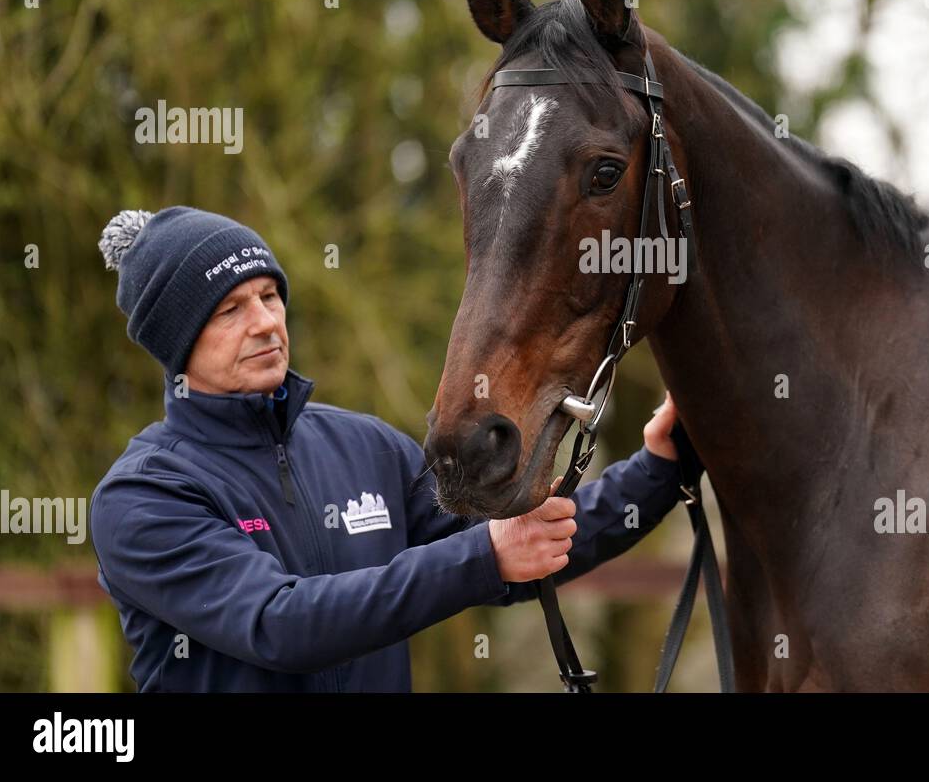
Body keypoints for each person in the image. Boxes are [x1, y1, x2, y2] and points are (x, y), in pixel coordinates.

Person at [90, 206, 701, 691]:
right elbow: (281, 625)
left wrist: (658, 470)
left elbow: (517, 547)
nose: (266, 323)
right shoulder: (143, 496)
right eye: (229, 309)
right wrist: (485, 558)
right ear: (178, 345)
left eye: (270, 297)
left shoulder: (367, 446)